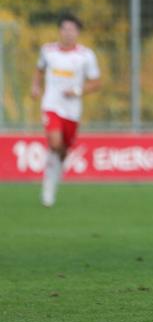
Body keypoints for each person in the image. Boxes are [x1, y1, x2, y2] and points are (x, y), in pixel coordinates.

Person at [30, 13, 101, 207]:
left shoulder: (86, 56)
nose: (68, 33)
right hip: (51, 105)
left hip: (72, 110)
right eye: (65, 29)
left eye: (72, 30)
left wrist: (77, 91)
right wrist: (35, 86)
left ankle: (54, 170)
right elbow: (39, 69)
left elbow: (96, 83)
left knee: (63, 149)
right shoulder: (48, 51)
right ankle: (49, 185)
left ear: (77, 33)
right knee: (54, 143)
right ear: (59, 30)